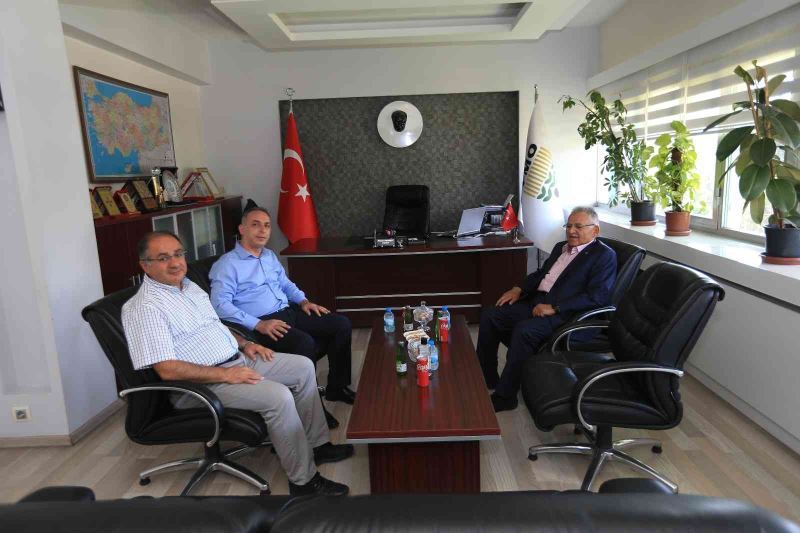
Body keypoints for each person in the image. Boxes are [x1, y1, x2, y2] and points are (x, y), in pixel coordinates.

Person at [122, 231, 353, 496]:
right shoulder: (145, 308)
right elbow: (167, 369)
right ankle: (304, 482)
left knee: (302, 367)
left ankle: (317, 445)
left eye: (178, 254)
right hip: (201, 386)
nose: (175, 263)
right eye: (163, 258)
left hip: (235, 360)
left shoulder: (188, 286)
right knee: (278, 397)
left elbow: (215, 326)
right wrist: (226, 375)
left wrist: (244, 343)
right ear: (145, 265)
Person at [209, 207, 356, 407]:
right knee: (304, 343)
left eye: (267, 226)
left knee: (341, 324)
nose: (262, 230)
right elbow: (219, 305)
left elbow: (286, 284)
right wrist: (258, 324)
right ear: (242, 229)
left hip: (288, 311)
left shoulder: (269, 255)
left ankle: (337, 388)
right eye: (255, 225)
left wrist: (304, 301)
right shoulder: (227, 264)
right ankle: (313, 407)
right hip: (262, 324)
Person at [477, 206, 616, 412]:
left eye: (578, 226)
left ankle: (506, 396)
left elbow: (597, 297)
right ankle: (486, 378)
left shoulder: (604, 256)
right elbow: (541, 274)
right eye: (568, 226)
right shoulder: (561, 247)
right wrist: (518, 288)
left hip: (568, 314)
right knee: (490, 316)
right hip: (538, 301)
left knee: (524, 331)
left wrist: (555, 307)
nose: (571, 231)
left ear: (595, 230)